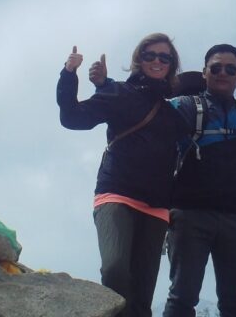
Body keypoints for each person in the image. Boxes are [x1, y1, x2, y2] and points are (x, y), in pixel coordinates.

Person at [90, 44, 236, 317]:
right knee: (182, 298)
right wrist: (106, 87)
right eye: (216, 68)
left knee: (235, 302)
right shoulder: (183, 108)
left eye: (230, 69)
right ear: (205, 74)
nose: (223, 73)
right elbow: (141, 110)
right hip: (189, 215)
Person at [57, 33, 189, 317]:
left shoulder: (173, 116)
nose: (156, 61)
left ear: (171, 65)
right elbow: (72, 118)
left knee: (143, 293)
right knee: (115, 269)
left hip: (156, 207)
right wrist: (69, 73)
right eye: (149, 55)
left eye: (164, 57)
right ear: (138, 60)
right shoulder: (119, 93)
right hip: (117, 194)